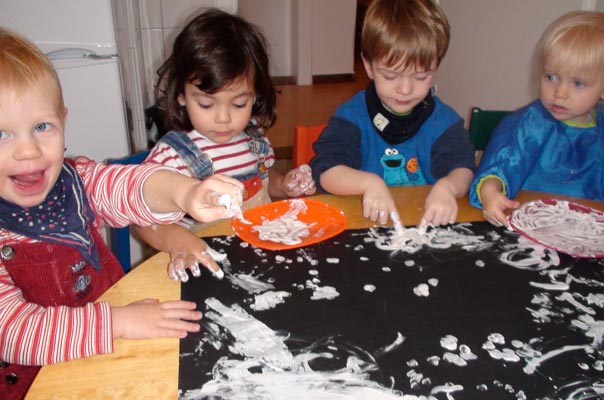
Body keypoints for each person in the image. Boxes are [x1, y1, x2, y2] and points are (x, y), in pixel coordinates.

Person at [0, 27, 245, 399]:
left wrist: (186, 192)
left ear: (64, 119)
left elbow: (131, 186)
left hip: (115, 349)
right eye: (1, 135)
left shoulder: (77, 180)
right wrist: (119, 321)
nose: (28, 151)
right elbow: (15, 333)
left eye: (42, 127)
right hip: (42, 384)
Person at [136, 8, 315, 282]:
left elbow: (268, 181)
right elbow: (141, 221)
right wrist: (178, 242)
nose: (223, 118)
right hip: (204, 270)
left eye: (239, 103)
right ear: (182, 95)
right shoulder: (172, 157)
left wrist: (285, 184)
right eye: (206, 104)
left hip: (258, 260)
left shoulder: (256, 143)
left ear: (256, 95)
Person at [310, 0, 475, 229]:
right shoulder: (351, 118)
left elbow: (463, 168)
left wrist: (448, 187)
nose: (405, 90)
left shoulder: (444, 123)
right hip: (365, 225)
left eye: (421, 77)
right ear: (368, 66)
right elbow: (326, 171)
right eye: (390, 76)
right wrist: (368, 183)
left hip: (422, 226)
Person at [469, 11, 604, 227]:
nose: (560, 93)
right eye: (551, 77)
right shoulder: (529, 124)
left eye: (578, 83)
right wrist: (490, 193)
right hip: (529, 226)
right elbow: (501, 164)